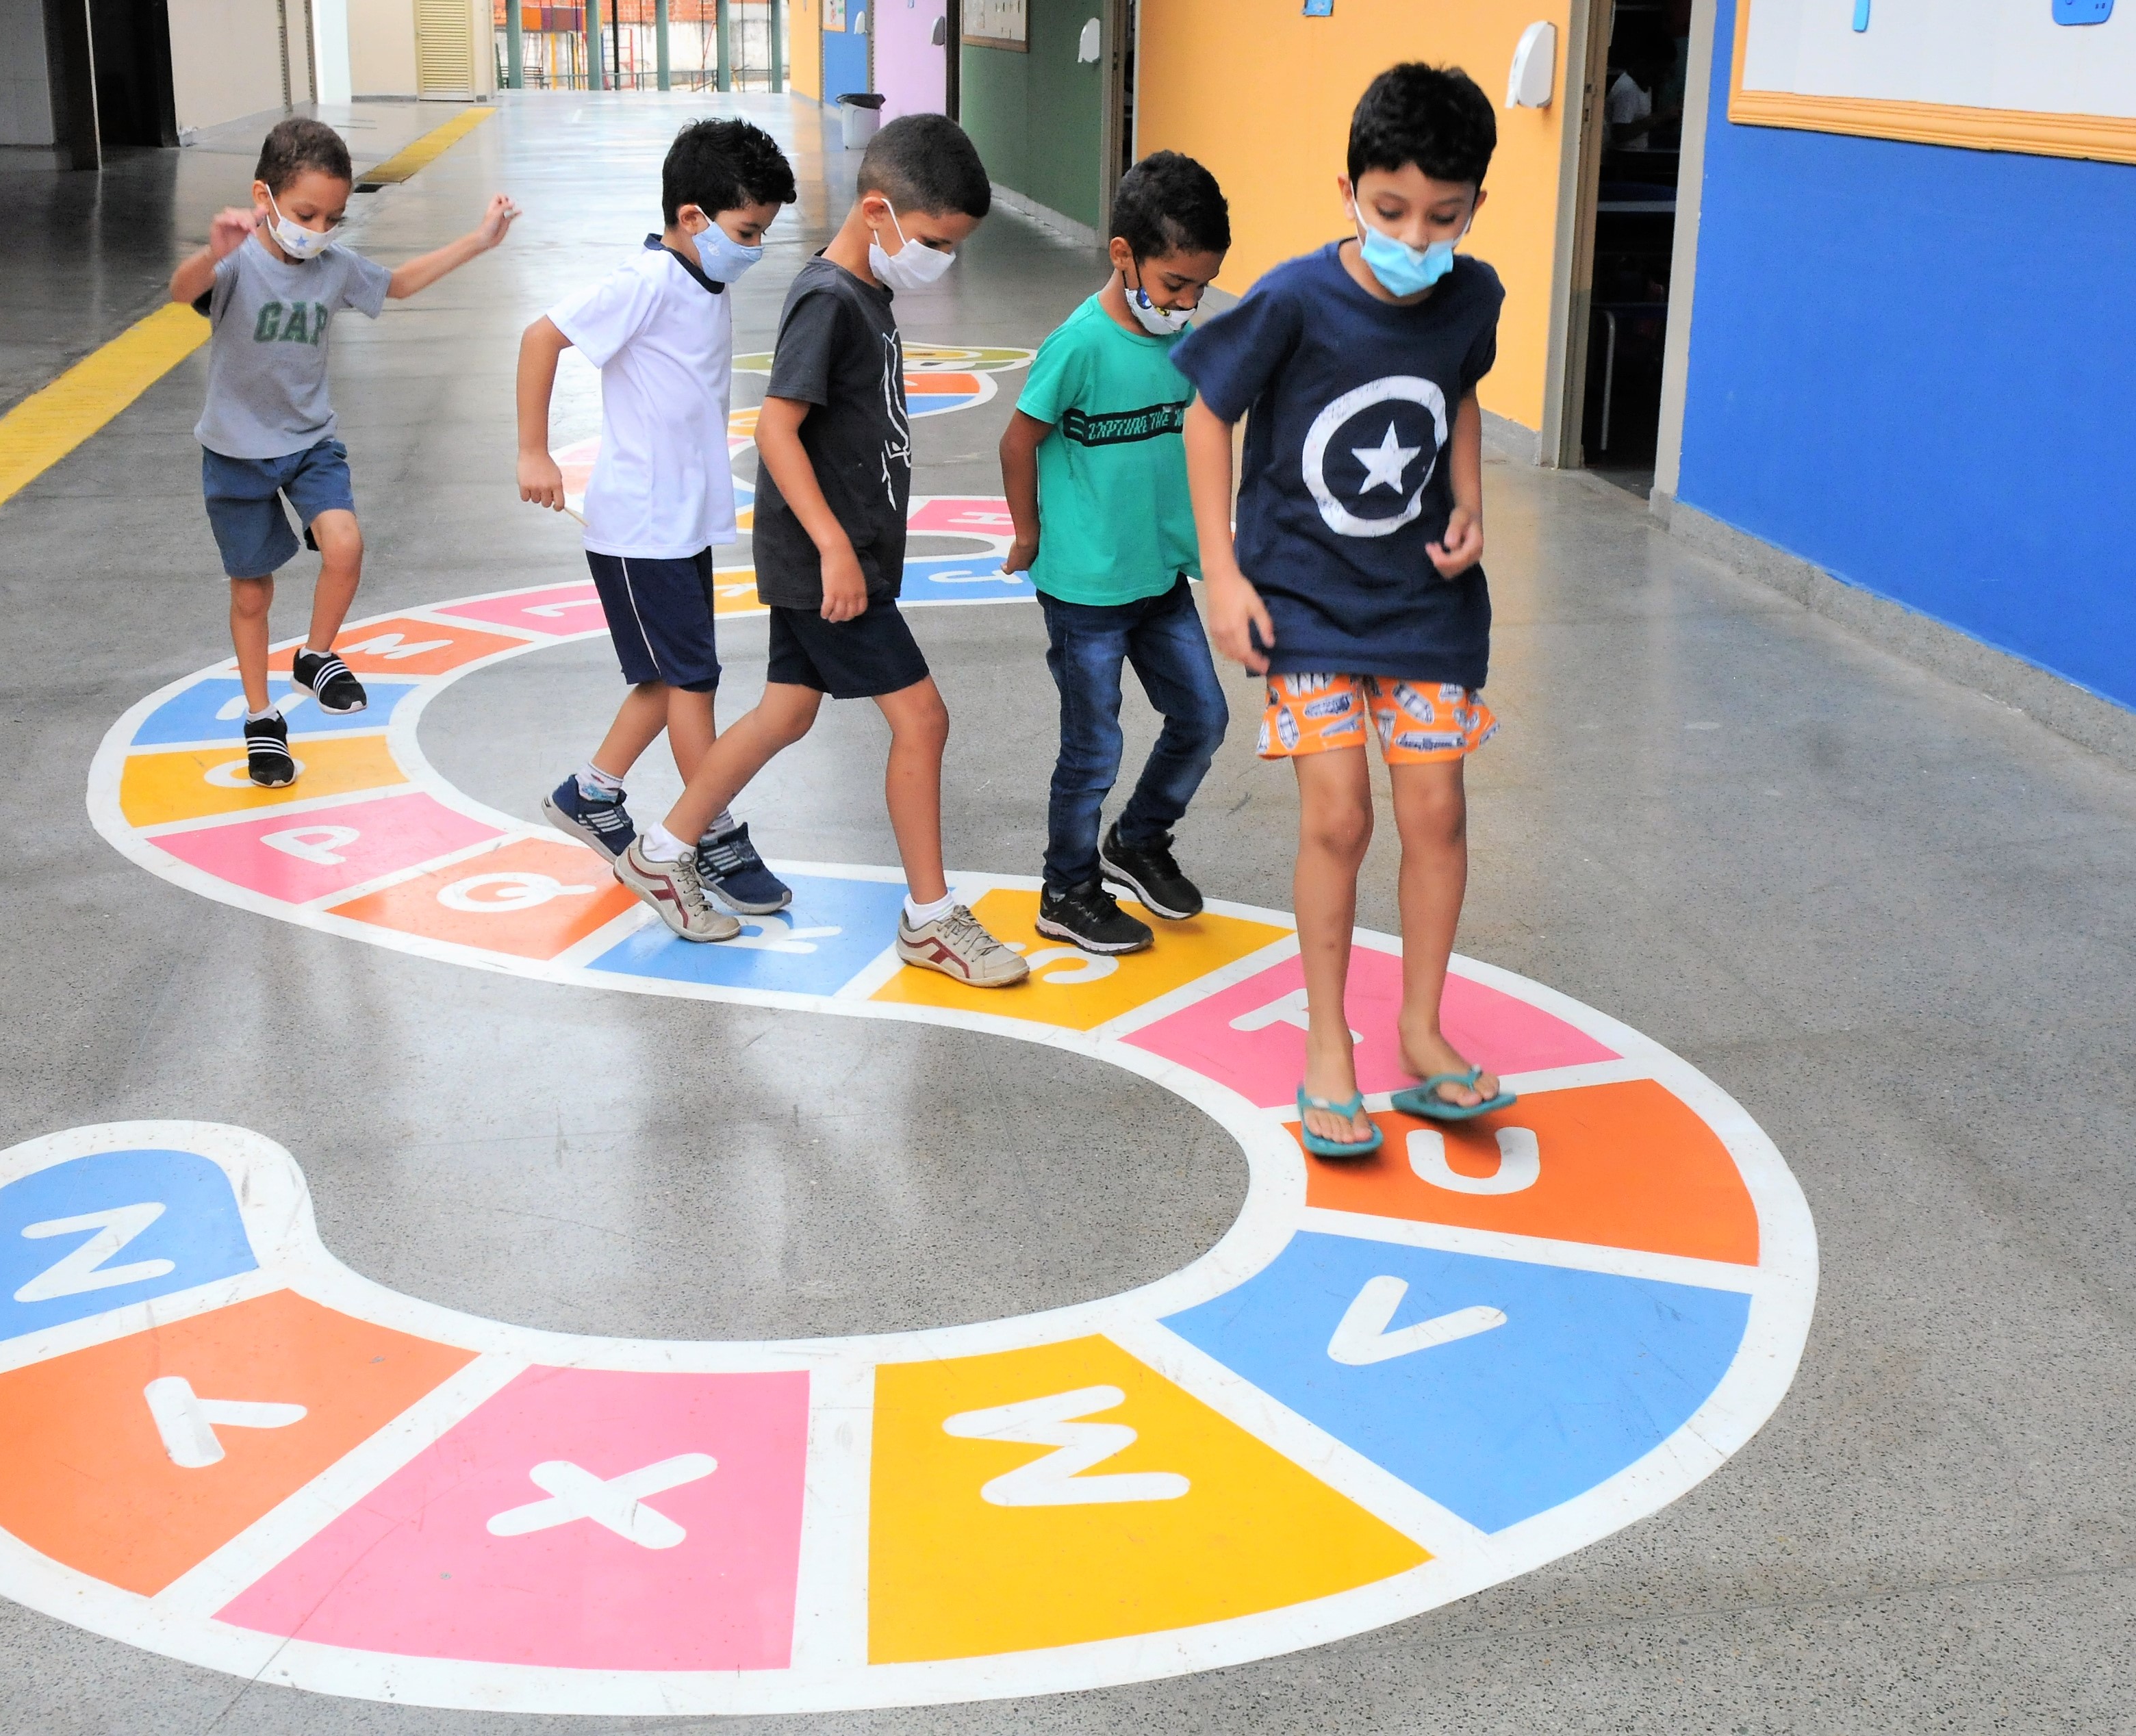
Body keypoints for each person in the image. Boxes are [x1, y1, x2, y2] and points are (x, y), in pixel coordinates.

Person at [1173, 63, 1515, 1158]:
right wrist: (1223, 575)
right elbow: (1205, 416)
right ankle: (1330, 1042)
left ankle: (1419, 1030)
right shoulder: (1292, 298)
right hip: (1305, 603)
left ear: (1472, 207)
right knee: (1338, 817)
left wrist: (1469, 501)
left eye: (1443, 216)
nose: (1418, 235)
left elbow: (1456, 393)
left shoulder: (1474, 295)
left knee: (1436, 816)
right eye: (1391, 211)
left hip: (1426, 605)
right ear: (1349, 191)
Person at [613, 114, 1028, 988]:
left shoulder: (866, 293)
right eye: (932, 241)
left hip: (839, 560)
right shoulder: (827, 298)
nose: (939, 260)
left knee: (785, 713)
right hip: (827, 565)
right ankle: (929, 916)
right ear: (877, 210)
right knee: (923, 718)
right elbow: (774, 428)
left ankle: (662, 849)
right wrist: (837, 549)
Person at [168, 116, 516, 788]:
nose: (319, 230)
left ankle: (315, 654)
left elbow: (400, 284)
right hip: (236, 451)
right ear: (262, 197)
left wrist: (479, 239)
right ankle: (261, 718)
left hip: (308, 441)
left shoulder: (332, 268)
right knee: (251, 593)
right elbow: (183, 292)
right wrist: (210, 251)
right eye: (306, 214)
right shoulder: (236, 264)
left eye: (333, 217)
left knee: (346, 545)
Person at [518, 118, 797, 915]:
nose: (753, 248)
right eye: (746, 231)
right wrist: (533, 452)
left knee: (663, 677)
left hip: (675, 522)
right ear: (690, 218)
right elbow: (541, 337)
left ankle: (592, 794)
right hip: (642, 527)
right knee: (692, 683)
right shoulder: (643, 281)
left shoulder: (700, 281)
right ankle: (708, 833)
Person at [998, 150, 1232, 956]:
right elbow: (1017, 438)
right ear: (1123, 255)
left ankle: (1137, 841)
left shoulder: (1184, 341)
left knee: (1202, 717)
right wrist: (1028, 533)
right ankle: (1065, 890)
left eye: (1199, 287)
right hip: (1085, 589)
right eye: (1174, 284)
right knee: (1093, 745)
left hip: (1158, 576)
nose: (1187, 302)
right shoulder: (1079, 345)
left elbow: (1200, 436)